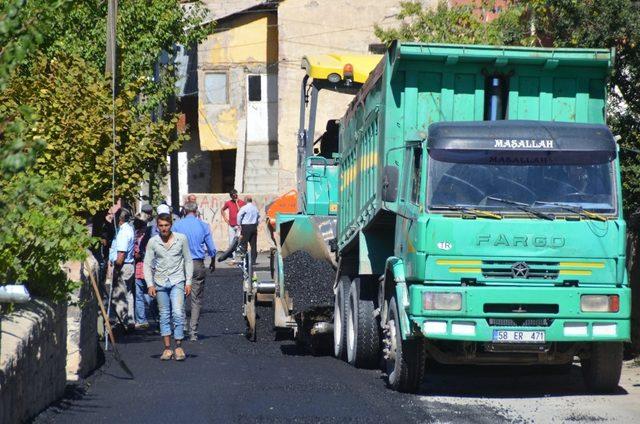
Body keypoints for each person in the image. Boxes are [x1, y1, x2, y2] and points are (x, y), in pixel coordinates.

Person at [144, 213, 193, 361]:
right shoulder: (153, 242)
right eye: (161, 226)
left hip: (177, 280)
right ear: (157, 226)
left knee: (178, 313)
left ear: (171, 225)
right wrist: (150, 284)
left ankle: (178, 346)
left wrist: (188, 281)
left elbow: (188, 260)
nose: (164, 228)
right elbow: (147, 263)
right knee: (164, 315)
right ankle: (167, 348)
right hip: (160, 282)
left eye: (166, 225)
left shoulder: (181, 239)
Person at [173, 202, 216, 341]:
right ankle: (193, 332)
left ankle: (183, 325)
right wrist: (213, 262)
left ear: (184, 211)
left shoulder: (177, 225)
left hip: (181, 264)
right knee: (196, 299)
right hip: (197, 264)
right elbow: (212, 249)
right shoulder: (203, 225)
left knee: (179, 296)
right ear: (196, 211)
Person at [111, 208, 136, 329]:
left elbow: (121, 254)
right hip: (130, 265)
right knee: (129, 294)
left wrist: (116, 269)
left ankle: (122, 321)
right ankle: (130, 320)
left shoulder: (123, 232)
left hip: (123, 265)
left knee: (120, 294)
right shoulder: (129, 229)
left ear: (120, 218)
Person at [133, 213, 153, 330]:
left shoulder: (138, 235)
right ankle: (156, 317)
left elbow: (137, 253)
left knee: (140, 295)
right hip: (150, 268)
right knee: (149, 293)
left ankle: (141, 320)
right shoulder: (152, 234)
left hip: (140, 267)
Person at [221, 189, 245, 259]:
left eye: (235, 195)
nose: (234, 196)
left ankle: (241, 256)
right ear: (231, 196)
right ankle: (233, 257)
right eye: (232, 195)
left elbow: (241, 211)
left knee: (239, 241)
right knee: (231, 242)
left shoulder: (242, 202)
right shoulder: (228, 203)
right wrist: (226, 219)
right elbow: (222, 210)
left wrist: (237, 202)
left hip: (239, 225)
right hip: (231, 225)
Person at [237, 196, 260, 266]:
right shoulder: (255, 208)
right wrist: (256, 224)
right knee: (253, 244)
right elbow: (258, 216)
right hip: (253, 226)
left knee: (244, 243)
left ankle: (245, 260)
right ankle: (253, 260)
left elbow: (239, 215)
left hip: (246, 226)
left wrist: (239, 224)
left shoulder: (244, 207)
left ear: (246, 200)